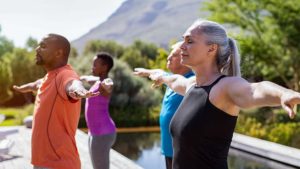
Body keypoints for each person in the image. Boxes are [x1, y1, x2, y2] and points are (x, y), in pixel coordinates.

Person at [134, 20, 300, 169]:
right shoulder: (192, 85)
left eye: (189, 41)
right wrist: (155, 74)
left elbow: (255, 89)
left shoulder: (224, 87)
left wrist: (284, 94)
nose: (182, 47)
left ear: (212, 48)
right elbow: (172, 79)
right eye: (183, 40)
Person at [13, 33, 99, 169]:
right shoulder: (49, 77)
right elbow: (36, 84)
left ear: (59, 53)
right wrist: (24, 88)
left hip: (59, 163)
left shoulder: (65, 74)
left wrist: (79, 91)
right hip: (43, 161)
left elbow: (72, 83)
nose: (37, 49)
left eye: (43, 46)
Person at [135, 42, 194, 169]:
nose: (168, 58)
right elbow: (159, 71)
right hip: (169, 149)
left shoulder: (192, 81)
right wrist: (146, 72)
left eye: (173, 55)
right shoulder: (170, 79)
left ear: (185, 58)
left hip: (185, 152)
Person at [80, 52, 116, 169]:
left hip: (103, 133)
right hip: (94, 132)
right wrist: (77, 78)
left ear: (104, 67)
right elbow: (87, 78)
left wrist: (107, 84)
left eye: (95, 65)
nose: (92, 67)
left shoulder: (104, 84)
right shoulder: (97, 81)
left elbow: (108, 84)